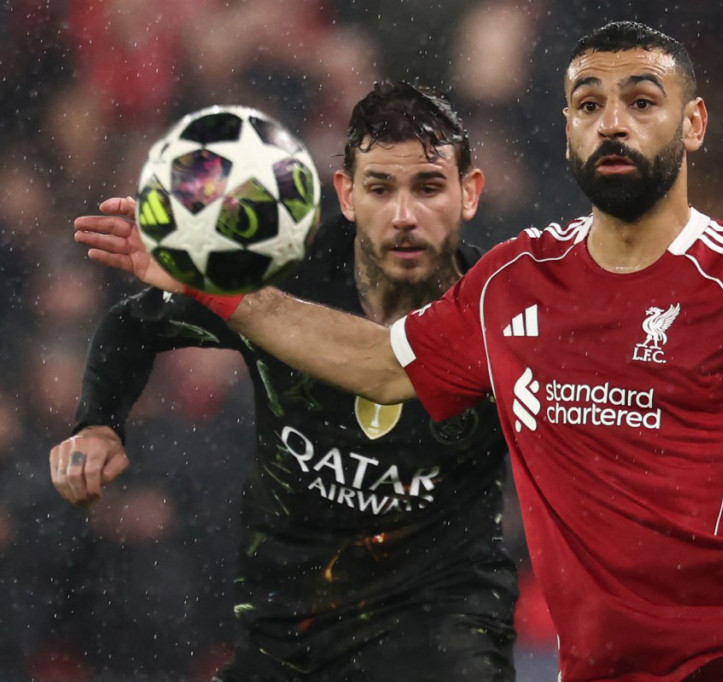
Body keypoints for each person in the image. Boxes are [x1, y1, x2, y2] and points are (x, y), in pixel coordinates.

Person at [67, 27, 723, 677]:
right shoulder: (512, 285)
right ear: (568, 128)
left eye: (641, 102)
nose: (613, 122)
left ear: (694, 125)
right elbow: (382, 362)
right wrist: (217, 287)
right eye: (590, 105)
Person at [51, 82, 516, 681]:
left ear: (469, 192)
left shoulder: (504, 311)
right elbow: (133, 326)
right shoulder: (282, 272)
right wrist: (98, 423)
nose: (404, 216)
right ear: (346, 194)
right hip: (291, 632)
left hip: (444, 629)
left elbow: (396, 365)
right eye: (380, 188)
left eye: (428, 187)